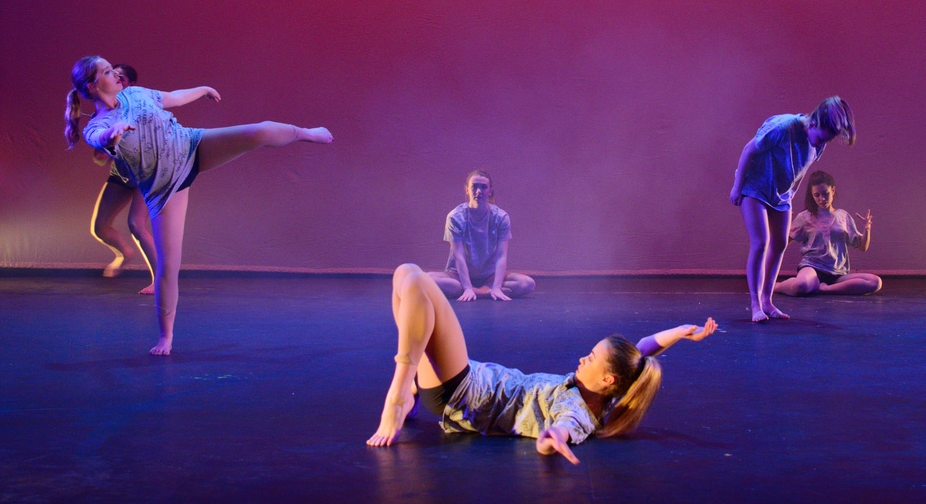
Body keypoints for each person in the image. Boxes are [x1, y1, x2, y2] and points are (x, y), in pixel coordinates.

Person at [64, 56, 332, 355]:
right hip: (165, 188)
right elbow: (102, 139)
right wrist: (114, 133)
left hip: (191, 146)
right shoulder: (97, 125)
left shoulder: (136, 93)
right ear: (92, 85)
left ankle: (307, 133)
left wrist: (202, 89)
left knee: (261, 131)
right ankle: (166, 337)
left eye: (112, 68)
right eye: (106, 71)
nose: (115, 73)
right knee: (168, 267)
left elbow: (174, 98)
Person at [366, 264, 717, 463]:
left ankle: (398, 395)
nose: (583, 358)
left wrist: (551, 439)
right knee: (403, 277)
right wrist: (681, 332)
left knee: (414, 278)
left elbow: (561, 430)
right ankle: (411, 388)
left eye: (591, 358)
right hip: (464, 376)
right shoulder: (607, 393)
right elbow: (639, 353)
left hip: (461, 391)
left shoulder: (577, 412)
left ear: (607, 379)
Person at [729, 97, 855, 321]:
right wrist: (737, 187)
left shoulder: (819, 144)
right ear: (813, 123)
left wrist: (789, 195)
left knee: (779, 244)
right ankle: (756, 304)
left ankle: (767, 301)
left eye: (826, 140)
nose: (821, 143)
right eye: (821, 138)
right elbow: (749, 150)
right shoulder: (783, 127)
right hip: (754, 187)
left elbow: (800, 169)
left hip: (780, 195)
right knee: (761, 242)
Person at [87, 64, 157, 293]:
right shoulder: (106, 113)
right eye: (113, 75)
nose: (117, 79)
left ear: (131, 85)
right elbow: (101, 155)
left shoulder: (138, 106)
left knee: (136, 224)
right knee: (99, 228)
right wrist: (104, 151)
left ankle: (161, 280)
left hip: (145, 175)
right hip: (121, 175)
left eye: (122, 78)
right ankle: (125, 253)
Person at [774, 171, 882, 297]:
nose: (822, 198)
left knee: (875, 282)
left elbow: (863, 247)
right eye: (817, 195)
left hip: (838, 273)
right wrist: (783, 225)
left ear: (833, 190)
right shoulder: (805, 217)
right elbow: (783, 243)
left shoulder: (843, 216)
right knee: (801, 285)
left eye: (826, 193)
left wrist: (867, 229)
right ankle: (776, 286)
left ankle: (826, 289)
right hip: (812, 268)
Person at [436, 170, 536, 301]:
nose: (479, 191)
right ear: (467, 190)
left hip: (489, 277)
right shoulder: (455, 217)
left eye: (483, 187)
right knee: (428, 279)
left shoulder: (501, 217)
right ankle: (482, 292)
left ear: (490, 191)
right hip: (458, 276)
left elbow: (501, 256)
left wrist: (496, 286)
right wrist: (467, 287)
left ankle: (482, 291)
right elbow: (459, 256)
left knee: (527, 283)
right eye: (474, 186)